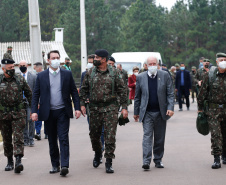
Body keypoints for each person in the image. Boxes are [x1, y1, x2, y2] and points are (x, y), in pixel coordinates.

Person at [31, 50, 81, 176]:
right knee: (52, 139)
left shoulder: (67, 74)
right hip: (48, 112)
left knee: (63, 138)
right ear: (48, 60)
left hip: (63, 111)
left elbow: (74, 92)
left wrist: (78, 108)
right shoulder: (41, 76)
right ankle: (55, 164)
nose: (56, 60)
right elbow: (35, 94)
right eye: (53, 58)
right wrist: (33, 112)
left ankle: (64, 165)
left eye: (57, 57)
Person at [79, 49, 128, 173]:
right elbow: (84, 90)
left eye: (97, 57)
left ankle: (109, 161)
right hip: (94, 108)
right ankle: (97, 153)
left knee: (110, 136)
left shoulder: (115, 73)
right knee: (94, 135)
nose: (94, 59)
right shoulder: (90, 73)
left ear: (104, 59)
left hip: (110, 108)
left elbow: (123, 91)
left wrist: (124, 108)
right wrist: (83, 104)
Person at [134, 56, 174, 170]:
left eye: (154, 63)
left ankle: (158, 160)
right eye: (150, 64)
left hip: (161, 112)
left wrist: (170, 108)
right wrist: (136, 112)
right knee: (147, 137)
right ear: (146, 66)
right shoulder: (141, 77)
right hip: (147, 113)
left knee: (159, 138)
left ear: (158, 64)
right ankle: (146, 161)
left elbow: (170, 93)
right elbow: (137, 97)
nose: (152, 66)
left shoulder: (165, 75)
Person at [0, 58, 32, 173]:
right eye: (10, 67)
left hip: (18, 113)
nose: (12, 69)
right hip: (3, 115)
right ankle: (9, 161)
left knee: (18, 137)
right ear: (3, 68)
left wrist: (33, 109)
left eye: (13, 67)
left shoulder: (19, 79)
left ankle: (18, 160)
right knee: (7, 138)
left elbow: (29, 93)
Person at [197, 53, 226, 169]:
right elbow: (202, 94)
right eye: (221, 60)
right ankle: (216, 158)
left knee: (225, 133)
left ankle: (224, 155)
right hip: (213, 110)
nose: (223, 61)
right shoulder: (209, 75)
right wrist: (200, 109)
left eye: (225, 59)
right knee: (215, 134)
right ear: (217, 62)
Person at [19, 60, 36, 147]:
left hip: (30, 101)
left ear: (27, 66)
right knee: (23, 121)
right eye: (21, 65)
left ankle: (31, 138)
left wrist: (37, 102)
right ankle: (25, 139)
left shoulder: (33, 76)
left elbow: (36, 91)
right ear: (18, 66)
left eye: (24, 65)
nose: (22, 66)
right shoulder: (17, 77)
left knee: (30, 120)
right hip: (20, 102)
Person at [33, 62, 48, 140]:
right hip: (39, 101)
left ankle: (46, 133)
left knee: (46, 117)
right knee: (37, 118)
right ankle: (38, 133)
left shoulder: (46, 76)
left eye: (34, 68)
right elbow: (36, 92)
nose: (34, 69)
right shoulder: (34, 76)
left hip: (45, 101)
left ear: (38, 68)